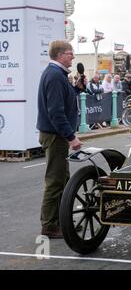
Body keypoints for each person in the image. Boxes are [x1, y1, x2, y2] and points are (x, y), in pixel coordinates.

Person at [36, 40, 82, 238]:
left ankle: (61, 222)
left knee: (63, 179)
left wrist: (77, 89)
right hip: (56, 136)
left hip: (56, 135)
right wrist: (71, 137)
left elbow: (62, 100)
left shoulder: (57, 74)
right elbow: (56, 112)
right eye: (70, 53)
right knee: (55, 181)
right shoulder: (55, 76)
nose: (73, 56)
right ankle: (49, 226)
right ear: (61, 54)